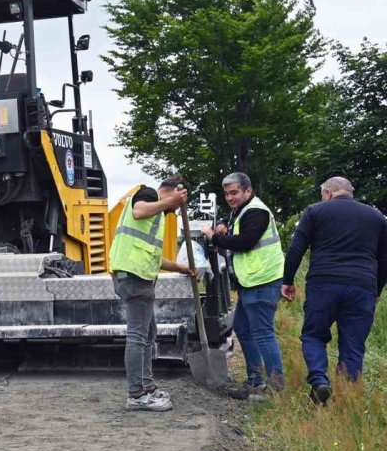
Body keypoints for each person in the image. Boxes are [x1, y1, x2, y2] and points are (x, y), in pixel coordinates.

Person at [281, 177, 387, 405]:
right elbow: (384, 259)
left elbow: (296, 248)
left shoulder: (315, 211)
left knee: (313, 335)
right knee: (353, 345)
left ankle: (320, 381)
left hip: (323, 284)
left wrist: (287, 280)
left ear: (328, 193)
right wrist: (376, 290)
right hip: (363, 286)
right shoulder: (377, 217)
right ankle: (345, 400)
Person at [109, 175, 198, 412]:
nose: (174, 211)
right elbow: (139, 211)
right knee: (138, 336)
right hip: (134, 277)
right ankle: (136, 395)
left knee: (149, 333)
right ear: (171, 191)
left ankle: (147, 387)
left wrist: (182, 268)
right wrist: (170, 202)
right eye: (176, 205)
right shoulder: (148, 195)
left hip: (137, 276)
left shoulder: (156, 215)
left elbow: (154, 257)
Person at [202, 172, 285, 400]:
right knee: (244, 328)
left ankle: (276, 389)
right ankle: (255, 382)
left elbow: (245, 242)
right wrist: (221, 226)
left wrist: (213, 238)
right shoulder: (240, 211)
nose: (230, 197)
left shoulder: (256, 211)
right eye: (227, 194)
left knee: (262, 333)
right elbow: (232, 225)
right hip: (252, 281)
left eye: (234, 192)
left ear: (248, 191)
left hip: (263, 280)